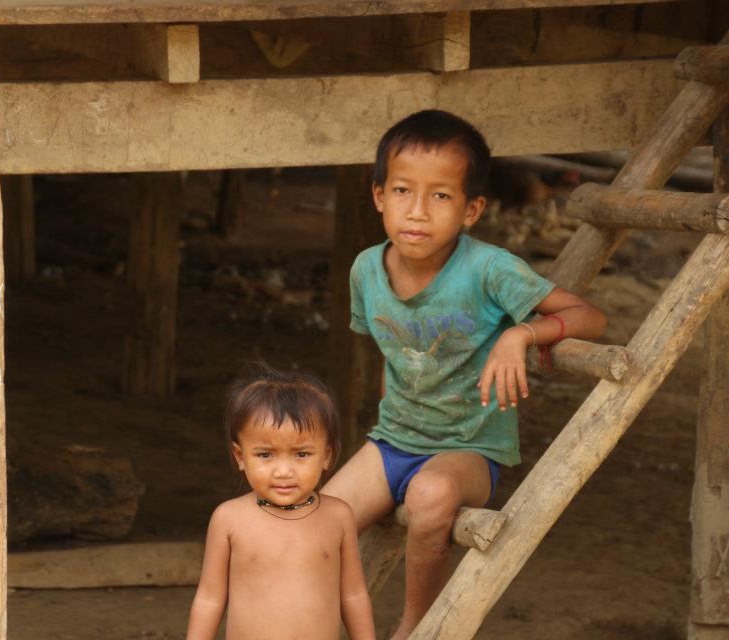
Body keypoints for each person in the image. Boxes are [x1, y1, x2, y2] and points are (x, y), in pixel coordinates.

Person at [322, 109, 607, 639]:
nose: (417, 211)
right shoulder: (366, 269)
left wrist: (521, 334)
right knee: (313, 527)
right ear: (379, 196)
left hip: (469, 451)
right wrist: (386, 432)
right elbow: (392, 353)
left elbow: (590, 317)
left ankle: (416, 626)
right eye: (402, 191)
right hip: (391, 443)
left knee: (430, 496)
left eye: (441, 196)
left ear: (471, 209)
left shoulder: (489, 269)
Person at [186, 366, 376, 640]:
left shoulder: (338, 516)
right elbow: (209, 598)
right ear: (240, 456)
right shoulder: (229, 519)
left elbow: (353, 594)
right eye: (265, 455)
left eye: (301, 454)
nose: (284, 471)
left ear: (326, 455)